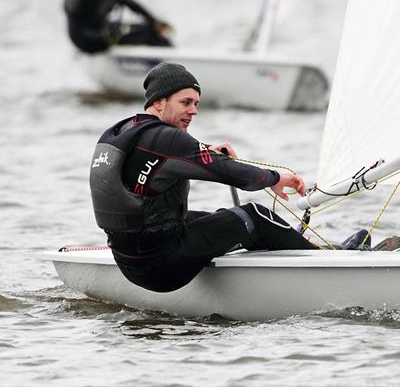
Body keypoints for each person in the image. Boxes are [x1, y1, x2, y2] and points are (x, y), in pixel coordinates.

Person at [89, 62, 368, 293]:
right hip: (163, 269)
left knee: (210, 216)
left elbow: (151, 169)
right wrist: (275, 178)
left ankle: (284, 248)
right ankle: (322, 257)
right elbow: (228, 172)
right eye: (185, 102)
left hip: (130, 262)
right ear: (159, 102)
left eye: (196, 103)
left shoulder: (122, 131)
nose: (194, 111)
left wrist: (203, 153)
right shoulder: (168, 139)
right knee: (253, 216)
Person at [64, 0, 172, 54]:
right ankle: (174, 71)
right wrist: (155, 21)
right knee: (152, 31)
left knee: (136, 27)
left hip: (79, 35)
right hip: (90, 39)